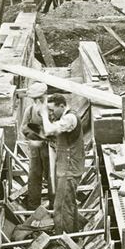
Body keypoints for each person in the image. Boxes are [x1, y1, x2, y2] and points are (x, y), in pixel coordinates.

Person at [40, 94, 86, 234]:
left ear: (62, 106)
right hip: (67, 168)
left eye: (53, 110)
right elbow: (52, 135)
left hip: (69, 169)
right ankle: (74, 233)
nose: (51, 114)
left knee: (60, 206)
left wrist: (43, 115)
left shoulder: (69, 118)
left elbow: (49, 130)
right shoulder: (64, 119)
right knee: (69, 203)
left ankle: (64, 241)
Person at [19, 82, 51, 210]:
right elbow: (24, 128)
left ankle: (55, 206)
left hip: (51, 149)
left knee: (52, 177)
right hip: (35, 148)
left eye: (40, 98)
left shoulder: (52, 109)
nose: (38, 101)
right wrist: (35, 136)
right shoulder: (30, 110)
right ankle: (33, 208)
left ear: (45, 95)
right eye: (35, 99)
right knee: (34, 175)